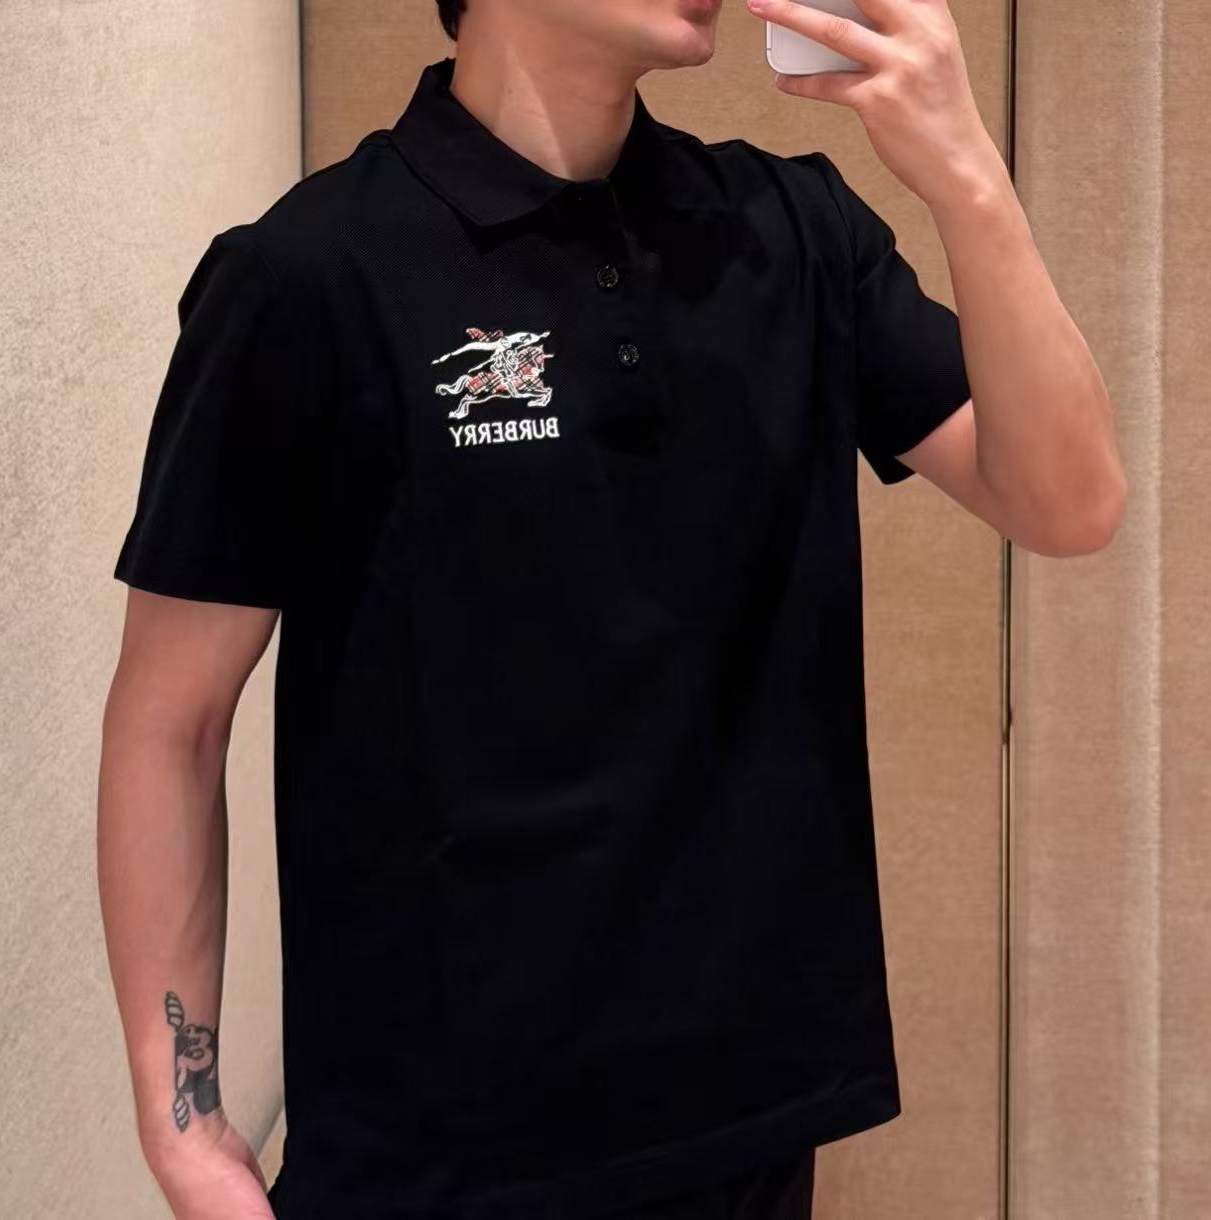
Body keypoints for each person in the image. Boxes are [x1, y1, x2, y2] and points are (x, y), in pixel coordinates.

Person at [98, 0, 1125, 1217]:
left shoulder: (788, 232)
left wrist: (964, 174)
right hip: (436, 1161)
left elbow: (1069, 501)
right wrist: (184, 1131)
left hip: (747, 1129)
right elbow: (172, 723)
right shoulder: (308, 274)